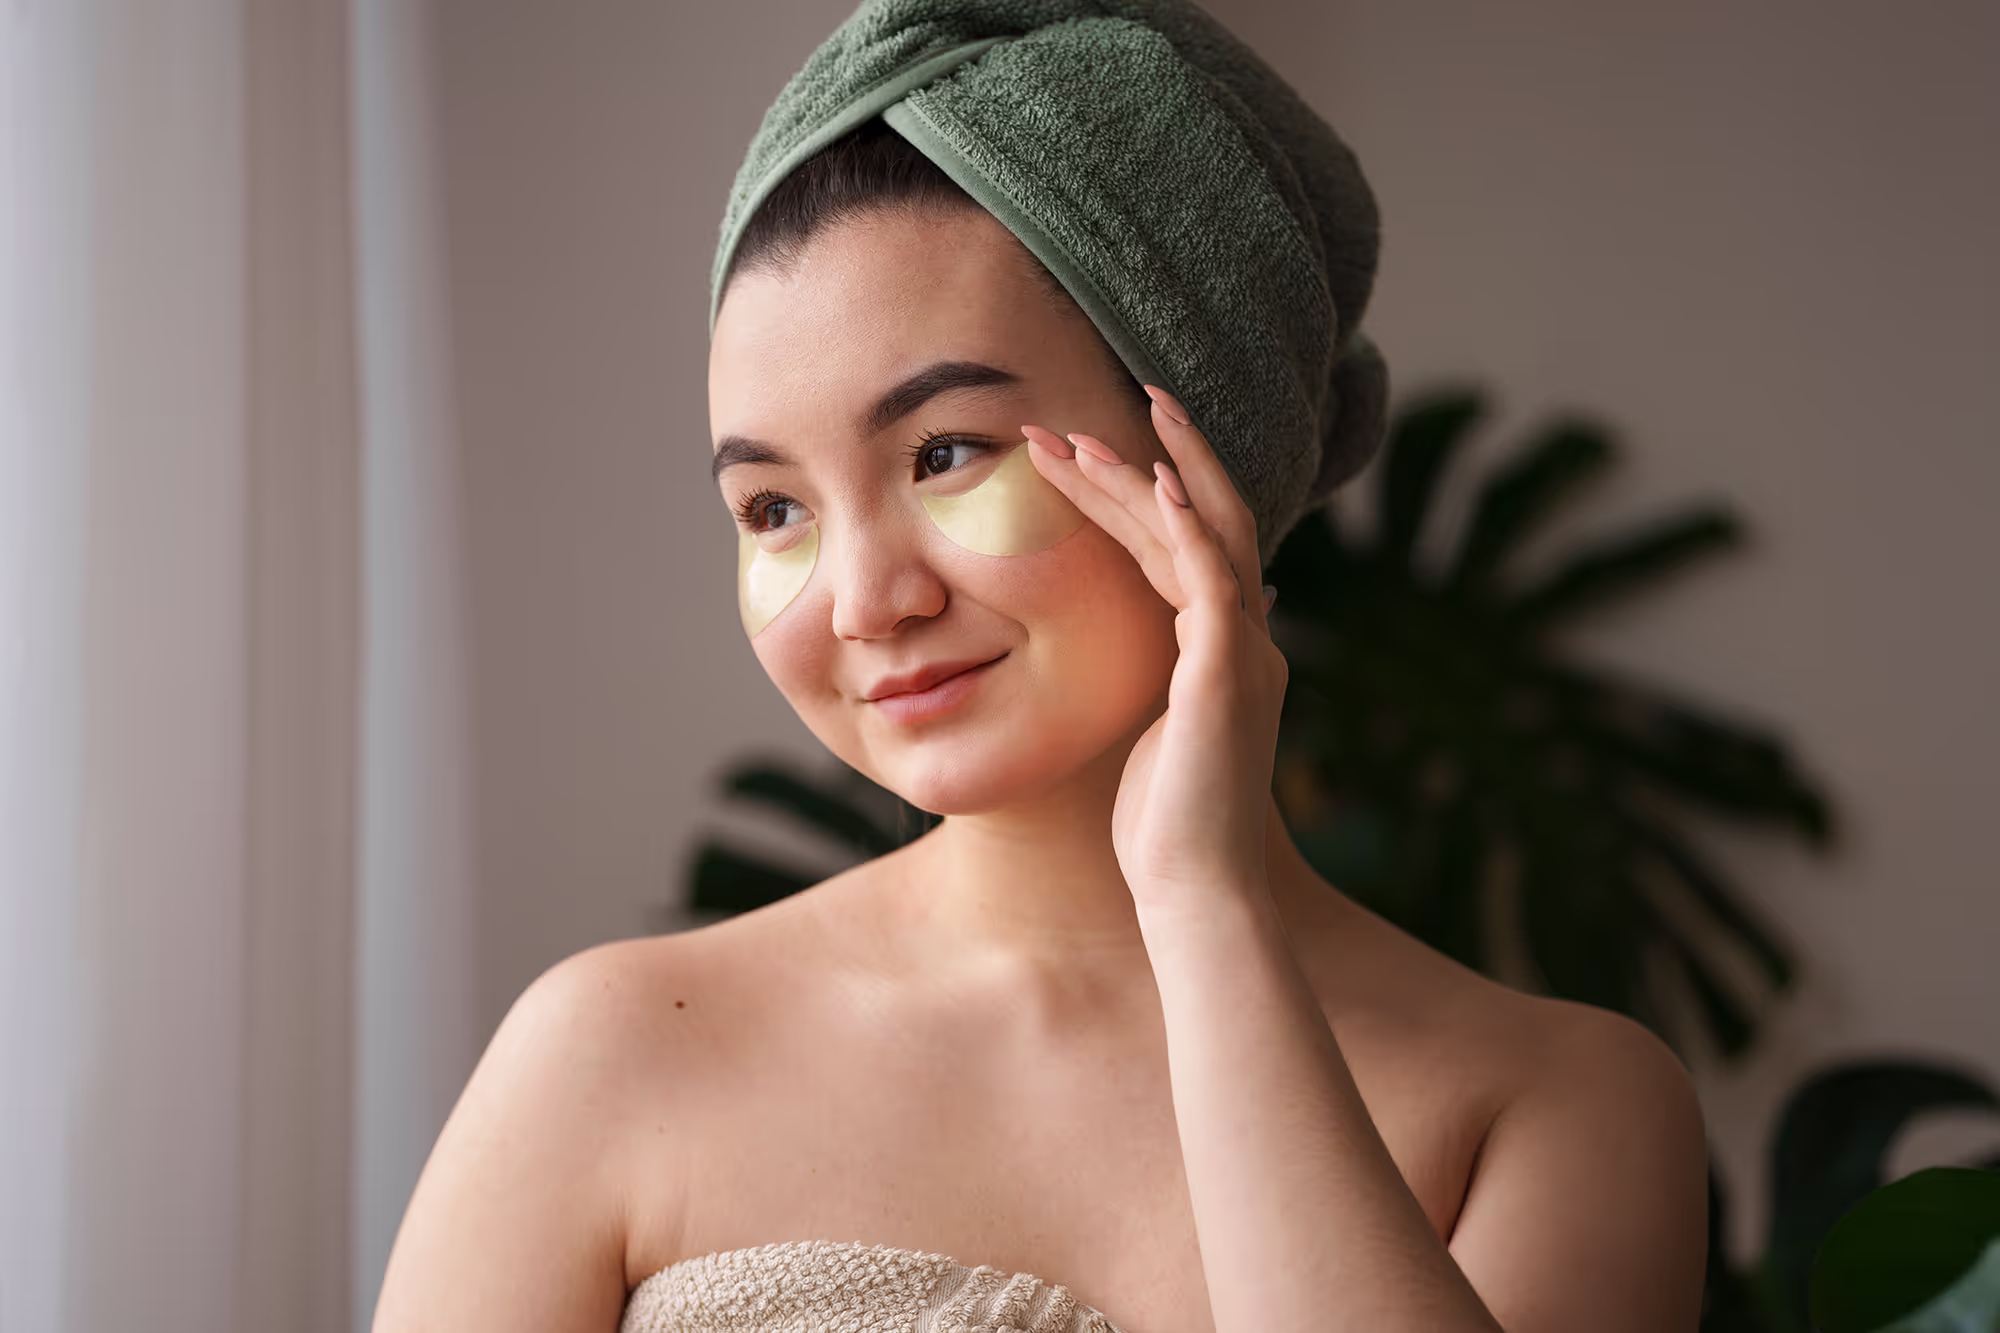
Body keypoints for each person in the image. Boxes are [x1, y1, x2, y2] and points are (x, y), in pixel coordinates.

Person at [373, 3, 1708, 1330]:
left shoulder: (1557, 1107)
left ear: (1205, 457)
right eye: (773, 508)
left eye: (945, 452)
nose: (863, 603)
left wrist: (1202, 907)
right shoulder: (609, 1055)